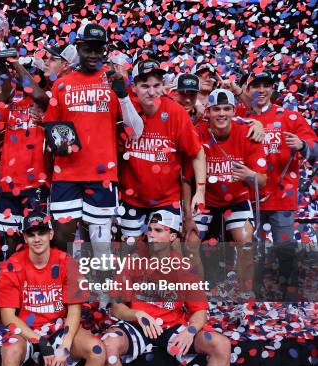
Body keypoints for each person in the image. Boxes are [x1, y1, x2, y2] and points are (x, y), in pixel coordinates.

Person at [102, 210, 231, 366]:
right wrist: (136, 313)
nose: (151, 235)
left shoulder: (184, 267)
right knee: (109, 345)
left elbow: (200, 311)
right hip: (139, 326)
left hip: (173, 327)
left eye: (158, 230)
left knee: (221, 344)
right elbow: (117, 308)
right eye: (150, 230)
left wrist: (191, 330)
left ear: (172, 237)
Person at [43, 23, 143, 257]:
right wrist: (58, 142)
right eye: (88, 48)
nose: (93, 55)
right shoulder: (62, 84)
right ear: (78, 47)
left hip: (101, 174)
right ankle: (66, 287)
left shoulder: (114, 80)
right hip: (66, 172)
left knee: (100, 243)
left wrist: (123, 95)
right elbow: (51, 126)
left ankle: (102, 292)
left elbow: (135, 131)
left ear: (105, 50)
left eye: (98, 49)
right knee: (61, 235)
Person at [0, 211, 105, 366]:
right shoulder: (12, 265)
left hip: (59, 328)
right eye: (31, 234)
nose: (37, 239)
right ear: (24, 237)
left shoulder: (67, 262)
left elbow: (74, 311)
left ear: (51, 234)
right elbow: (8, 317)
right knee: (9, 352)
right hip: (26, 331)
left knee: (97, 350)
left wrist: (64, 345)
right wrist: (40, 342)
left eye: (42, 233)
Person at [236, 70, 316, 299]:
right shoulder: (240, 116)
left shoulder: (289, 117)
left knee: (285, 251)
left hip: (281, 197)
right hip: (249, 198)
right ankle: (254, 294)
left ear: (272, 89)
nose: (261, 90)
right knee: (251, 251)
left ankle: (288, 295)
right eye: (256, 86)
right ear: (247, 90)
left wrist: (302, 145)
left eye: (266, 85)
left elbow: (315, 147)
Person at [189, 89, 267, 296]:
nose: (221, 114)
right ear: (208, 112)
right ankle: (196, 293)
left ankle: (245, 293)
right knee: (190, 243)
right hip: (206, 199)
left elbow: (262, 180)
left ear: (233, 111)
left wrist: (249, 175)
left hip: (237, 200)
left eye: (226, 109)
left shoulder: (248, 133)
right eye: (216, 109)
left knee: (246, 242)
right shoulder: (198, 132)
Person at [118, 59, 206, 242]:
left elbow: (197, 153)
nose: (151, 92)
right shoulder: (123, 107)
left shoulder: (176, 112)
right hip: (130, 199)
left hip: (166, 200)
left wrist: (200, 191)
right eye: (145, 86)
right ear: (133, 87)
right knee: (131, 258)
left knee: (163, 256)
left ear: (164, 86)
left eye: (157, 85)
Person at [0, 52, 50, 258]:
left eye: (31, 73)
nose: (24, 77)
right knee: (9, 239)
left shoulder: (45, 102)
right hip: (8, 183)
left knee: (37, 238)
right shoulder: (10, 102)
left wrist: (16, 64)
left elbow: (39, 95)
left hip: (36, 184)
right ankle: (10, 280)